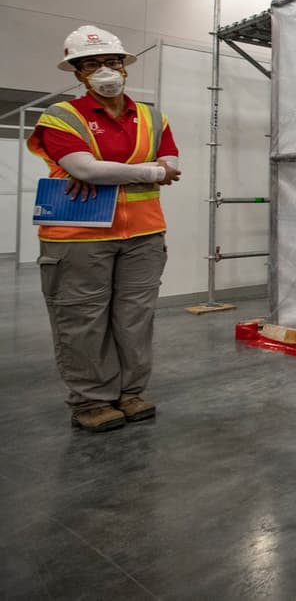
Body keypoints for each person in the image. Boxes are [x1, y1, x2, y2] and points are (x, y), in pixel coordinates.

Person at [27, 26, 181, 433]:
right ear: (78, 73)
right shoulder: (61, 116)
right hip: (78, 236)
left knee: (135, 318)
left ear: (125, 66)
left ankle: (130, 393)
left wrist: (106, 172)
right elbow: (85, 169)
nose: (105, 71)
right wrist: (147, 171)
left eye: (112, 62)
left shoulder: (153, 117)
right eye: (91, 64)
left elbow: (172, 166)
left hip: (144, 235)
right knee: (82, 319)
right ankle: (91, 400)